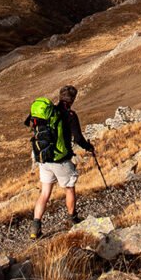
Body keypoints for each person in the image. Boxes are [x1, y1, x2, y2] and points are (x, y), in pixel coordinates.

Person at [25, 84, 95, 238]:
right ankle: (73, 219)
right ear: (73, 99)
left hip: (44, 159)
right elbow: (78, 138)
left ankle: (35, 229)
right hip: (60, 160)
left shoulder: (50, 113)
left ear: (59, 96)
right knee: (69, 188)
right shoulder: (70, 115)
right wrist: (89, 147)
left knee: (45, 193)